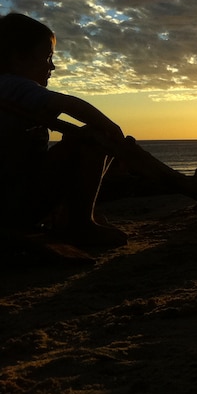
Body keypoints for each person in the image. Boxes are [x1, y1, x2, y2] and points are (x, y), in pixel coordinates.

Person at [0, 12, 127, 246]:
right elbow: (69, 104)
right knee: (93, 138)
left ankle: (70, 216)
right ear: (18, 58)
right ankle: (80, 224)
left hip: (13, 198)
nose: (53, 66)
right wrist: (112, 129)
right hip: (15, 203)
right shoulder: (14, 85)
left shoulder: (11, 91)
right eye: (47, 58)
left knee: (76, 139)